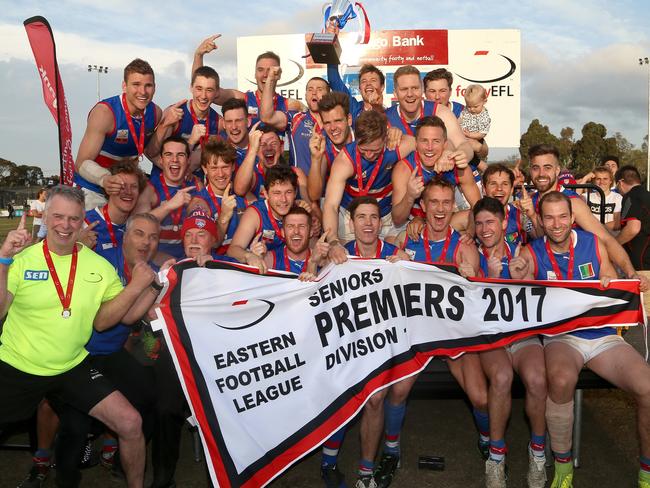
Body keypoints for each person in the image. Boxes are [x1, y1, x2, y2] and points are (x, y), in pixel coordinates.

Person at [0, 185, 158, 488]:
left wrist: (141, 286)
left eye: (74, 219)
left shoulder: (98, 266)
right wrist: (4, 261)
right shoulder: (23, 258)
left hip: (72, 365)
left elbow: (112, 320)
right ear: (46, 217)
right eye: (58, 216)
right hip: (19, 365)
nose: (65, 225)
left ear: (82, 221)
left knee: (130, 422)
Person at [509, 191, 650, 488]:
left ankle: (646, 472)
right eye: (548, 217)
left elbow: (610, 280)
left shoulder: (593, 244)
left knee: (647, 388)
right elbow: (519, 279)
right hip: (562, 338)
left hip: (602, 337)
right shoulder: (532, 251)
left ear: (573, 218)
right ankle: (563, 468)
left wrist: (612, 281)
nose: (556, 223)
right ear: (541, 221)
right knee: (560, 379)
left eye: (563, 216)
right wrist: (517, 273)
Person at [389, 179, 486, 488]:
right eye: (434, 203)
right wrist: (396, 264)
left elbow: (477, 287)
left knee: (481, 397)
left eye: (447, 203)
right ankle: (391, 451)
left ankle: (489, 445)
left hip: (453, 334)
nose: (441, 209)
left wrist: (470, 274)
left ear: (453, 207)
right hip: (417, 334)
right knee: (398, 391)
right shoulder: (410, 238)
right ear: (424, 206)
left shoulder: (464, 244)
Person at [53, 213, 161, 487]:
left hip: (111, 355)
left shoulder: (149, 271)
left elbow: (130, 318)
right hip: (79, 355)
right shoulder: (101, 262)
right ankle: (65, 479)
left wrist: (156, 285)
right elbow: (104, 322)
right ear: (125, 236)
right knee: (74, 427)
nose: (146, 242)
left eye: (153, 237)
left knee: (151, 396)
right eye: (139, 234)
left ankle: (123, 464)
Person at [313, 196, 408, 488]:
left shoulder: (396, 255)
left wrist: (408, 268)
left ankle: (366, 470)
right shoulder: (340, 254)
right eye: (361, 217)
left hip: (387, 341)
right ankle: (329, 460)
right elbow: (313, 294)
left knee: (377, 396)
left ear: (381, 223)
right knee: (340, 387)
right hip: (348, 342)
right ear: (351, 224)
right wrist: (319, 262)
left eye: (373, 217)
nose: (368, 223)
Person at [473, 197, 547, 488]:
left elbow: (539, 297)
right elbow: (467, 307)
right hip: (491, 335)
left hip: (522, 333)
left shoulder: (523, 252)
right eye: (479, 223)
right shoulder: (469, 252)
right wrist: (489, 278)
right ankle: (496, 457)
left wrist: (523, 278)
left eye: (490, 221)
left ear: (504, 222)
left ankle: (538, 455)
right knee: (502, 378)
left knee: (538, 379)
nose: (484, 228)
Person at [527, 144, 646, 286]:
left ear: (557, 170)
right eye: (536, 168)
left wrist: (630, 273)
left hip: (578, 278)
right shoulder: (527, 202)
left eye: (547, 167)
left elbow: (606, 239)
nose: (541, 173)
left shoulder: (572, 202)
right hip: (546, 280)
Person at [74, 59, 169, 210]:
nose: (143, 92)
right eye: (136, 85)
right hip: (94, 189)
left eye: (148, 85)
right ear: (124, 86)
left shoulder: (155, 113)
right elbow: (81, 163)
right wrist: (104, 179)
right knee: (96, 233)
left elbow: (148, 150)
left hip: (126, 190)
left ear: (154, 87)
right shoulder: (105, 113)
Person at [322, 110, 416, 246]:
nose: (369, 155)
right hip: (351, 214)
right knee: (344, 254)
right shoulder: (345, 160)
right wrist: (333, 241)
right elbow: (331, 205)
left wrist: (446, 153)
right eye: (363, 150)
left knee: (397, 252)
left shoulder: (396, 147)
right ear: (357, 140)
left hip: (386, 213)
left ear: (385, 139)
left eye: (375, 150)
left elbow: (430, 146)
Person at [391, 116, 480, 227]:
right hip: (413, 223)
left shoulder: (458, 167)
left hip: (446, 219)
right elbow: (397, 220)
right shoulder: (404, 169)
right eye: (424, 141)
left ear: (445, 144)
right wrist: (409, 196)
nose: (430, 147)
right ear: (416, 144)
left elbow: (479, 209)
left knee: (472, 217)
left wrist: (470, 234)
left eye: (436, 141)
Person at [147, 66, 224, 175]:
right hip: (163, 183)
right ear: (191, 88)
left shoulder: (218, 123)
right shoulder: (175, 113)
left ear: (216, 93)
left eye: (209, 90)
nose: (203, 96)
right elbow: (151, 152)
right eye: (199, 89)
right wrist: (164, 125)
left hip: (194, 184)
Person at [136, 136, 200, 259]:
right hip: (156, 260)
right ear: (161, 160)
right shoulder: (149, 189)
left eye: (180, 155)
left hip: (189, 259)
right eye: (168, 154)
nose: (174, 159)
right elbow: (138, 226)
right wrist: (169, 206)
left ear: (188, 160)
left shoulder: (196, 186)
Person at [228, 166, 299, 272]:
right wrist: (249, 256)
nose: (283, 199)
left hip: (289, 273)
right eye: (277, 193)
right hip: (263, 273)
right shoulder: (255, 214)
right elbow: (233, 250)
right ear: (266, 194)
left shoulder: (299, 212)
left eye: (288, 192)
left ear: (295, 193)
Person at [189, 138, 249, 255]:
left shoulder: (244, 197)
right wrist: (224, 217)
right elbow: (209, 245)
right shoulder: (198, 203)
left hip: (239, 265)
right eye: (214, 168)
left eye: (225, 167)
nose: (220, 174)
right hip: (214, 268)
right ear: (205, 169)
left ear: (232, 167)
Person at [83, 161, 148, 265]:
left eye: (134, 187)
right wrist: (75, 249)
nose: (128, 192)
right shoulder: (86, 223)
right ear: (109, 189)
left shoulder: (134, 226)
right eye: (122, 186)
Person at [234, 125, 309, 201]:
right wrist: (252, 149)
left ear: (281, 147)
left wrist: (300, 206)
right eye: (262, 145)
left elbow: (311, 207)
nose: (269, 148)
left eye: (273, 143)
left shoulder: (296, 174)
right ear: (256, 150)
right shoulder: (253, 175)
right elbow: (239, 190)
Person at [307, 91, 355, 202]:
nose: (333, 128)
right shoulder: (324, 146)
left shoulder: (363, 137)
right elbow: (314, 196)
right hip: (339, 207)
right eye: (327, 123)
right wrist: (315, 159)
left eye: (338, 121)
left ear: (349, 120)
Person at [615, 165, 650, 270]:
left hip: (642, 262)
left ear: (620, 182)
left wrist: (613, 245)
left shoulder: (630, 196)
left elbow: (632, 228)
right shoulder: (647, 195)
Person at [580, 165, 622, 231]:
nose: (601, 182)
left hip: (610, 237)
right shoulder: (586, 196)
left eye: (605, 179)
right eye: (598, 179)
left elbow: (617, 224)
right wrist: (585, 178)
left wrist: (596, 229)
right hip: (592, 237)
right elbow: (574, 199)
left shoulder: (618, 198)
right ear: (594, 181)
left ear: (610, 181)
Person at [459, 84, 491, 157]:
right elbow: (460, 119)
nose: (472, 109)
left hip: (476, 139)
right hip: (462, 136)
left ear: (484, 101)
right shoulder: (466, 110)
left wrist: (470, 135)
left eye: (475, 106)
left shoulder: (484, 117)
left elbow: (482, 134)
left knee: (468, 154)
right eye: (469, 106)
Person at [221, 97, 251, 168]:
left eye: (238, 121)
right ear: (223, 124)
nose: (234, 127)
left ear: (248, 122)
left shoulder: (261, 148)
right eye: (229, 121)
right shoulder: (217, 150)